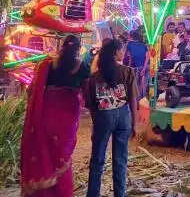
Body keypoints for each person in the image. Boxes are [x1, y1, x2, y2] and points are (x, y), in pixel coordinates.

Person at [20, 35, 89, 197]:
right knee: (61, 155)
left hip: (47, 113)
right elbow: (87, 92)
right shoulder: (82, 67)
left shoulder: (48, 65)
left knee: (44, 150)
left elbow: (32, 90)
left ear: (62, 47)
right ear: (79, 49)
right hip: (67, 117)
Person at [84, 39, 138, 197]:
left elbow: (91, 105)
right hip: (123, 117)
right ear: (115, 53)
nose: (124, 52)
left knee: (97, 159)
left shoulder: (94, 77)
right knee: (120, 160)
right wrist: (134, 123)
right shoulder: (127, 72)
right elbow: (133, 99)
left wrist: (97, 122)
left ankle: (93, 194)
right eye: (122, 50)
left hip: (103, 117)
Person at [125, 31, 149, 101]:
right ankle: (142, 100)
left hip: (136, 67)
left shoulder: (129, 44)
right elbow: (147, 57)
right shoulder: (144, 45)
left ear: (131, 36)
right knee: (143, 85)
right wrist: (144, 68)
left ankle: (137, 101)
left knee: (136, 85)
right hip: (145, 66)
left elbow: (130, 58)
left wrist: (128, 68)